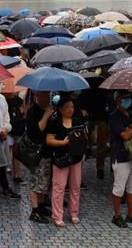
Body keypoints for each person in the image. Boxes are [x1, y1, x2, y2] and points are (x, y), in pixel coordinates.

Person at [46, 96, 87, 228]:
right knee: (59, 187)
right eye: (67, 107)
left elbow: (84, 136)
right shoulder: (55, 122)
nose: (71, 109)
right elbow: (49, 140)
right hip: (60, 159)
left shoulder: (77, 121)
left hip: (76, 157)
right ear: (60, 109)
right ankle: (57, 216)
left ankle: (74, 213)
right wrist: (62, 142)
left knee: (75, 186)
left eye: (72, 107)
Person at [108, 93, 132, 228]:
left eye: (128, 99)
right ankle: (117, 215)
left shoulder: (130, 115)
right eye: (124, 99)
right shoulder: (114, 117)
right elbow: (124, 135)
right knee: (119, 188)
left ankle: (131, 214)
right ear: (117, 101)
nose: (127, 101)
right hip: (121, 156)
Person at [26, 91, 54, 224]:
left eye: (48, 94)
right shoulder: (33, 111)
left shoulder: (48, 108)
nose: (47, 96)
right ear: (38, 95)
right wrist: (46, 115)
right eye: (45, 94)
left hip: (48, 151)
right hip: (37, 152)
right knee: (36, 181)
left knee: (44, 182)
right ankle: (35, 211)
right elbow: (37, 130)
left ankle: (41, 207)